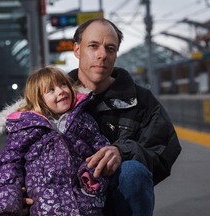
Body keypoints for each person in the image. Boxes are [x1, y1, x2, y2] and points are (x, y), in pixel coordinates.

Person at [24, 18, 182, 216]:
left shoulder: (140, 100)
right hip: (63, 203)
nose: (102, 55)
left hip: (119, 200)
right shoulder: (49, 99)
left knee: (132, 171)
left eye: (110, 48)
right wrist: (21, 191)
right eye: (93, 46)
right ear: (77, 50)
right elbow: (21, 152)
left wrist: (123, 152)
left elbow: (164, 149)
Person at [0, 66, 111, 216]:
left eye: (63, 84)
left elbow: (102, 151)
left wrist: (91, 176)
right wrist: (6, 205)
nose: (60, 91)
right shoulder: (26, 128)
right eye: (51, 90)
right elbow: (8, 166)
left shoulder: (84, 120)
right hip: (46, 206)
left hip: (85, 204)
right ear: (39, 99)